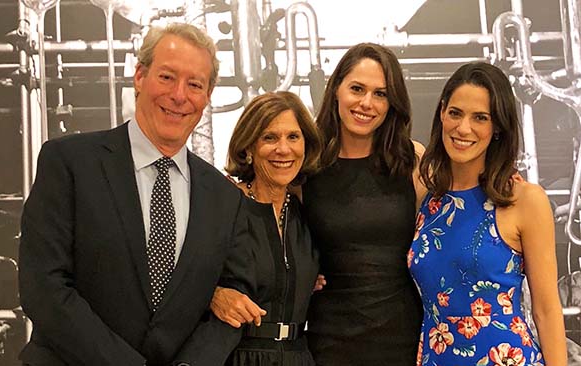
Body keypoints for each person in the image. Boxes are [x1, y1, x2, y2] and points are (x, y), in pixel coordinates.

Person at [18, 23, 247, 366]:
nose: (179, 95)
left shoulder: (224, 197)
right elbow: (44, 288)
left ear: (208, 95)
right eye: (167, 77)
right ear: (139, 76)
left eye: (195, 84)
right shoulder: (69, 163)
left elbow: (231, 302)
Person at [409, 62, 567, 365]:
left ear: (497, 127)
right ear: (442, 112)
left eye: (480, 118)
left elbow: (546, 310)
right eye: (455, 113)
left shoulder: (524, 199)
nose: (463, 128)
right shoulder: (426, 197)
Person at [300, 43, 425, 365]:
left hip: (403, 336)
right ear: (336, 89)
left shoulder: (413, 160)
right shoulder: (305, 165)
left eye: (380, 94)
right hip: (328, 339)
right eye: (357, 89)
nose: (366, 103)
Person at [175, 91, 322, 365]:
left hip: (297, 356)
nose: (283, 149)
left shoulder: (306, 212)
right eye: (269, 137)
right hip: (236, 356)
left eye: (293, 137)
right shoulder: (223, 204)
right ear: (248, 148)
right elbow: (171, 278)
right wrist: (212, 296)